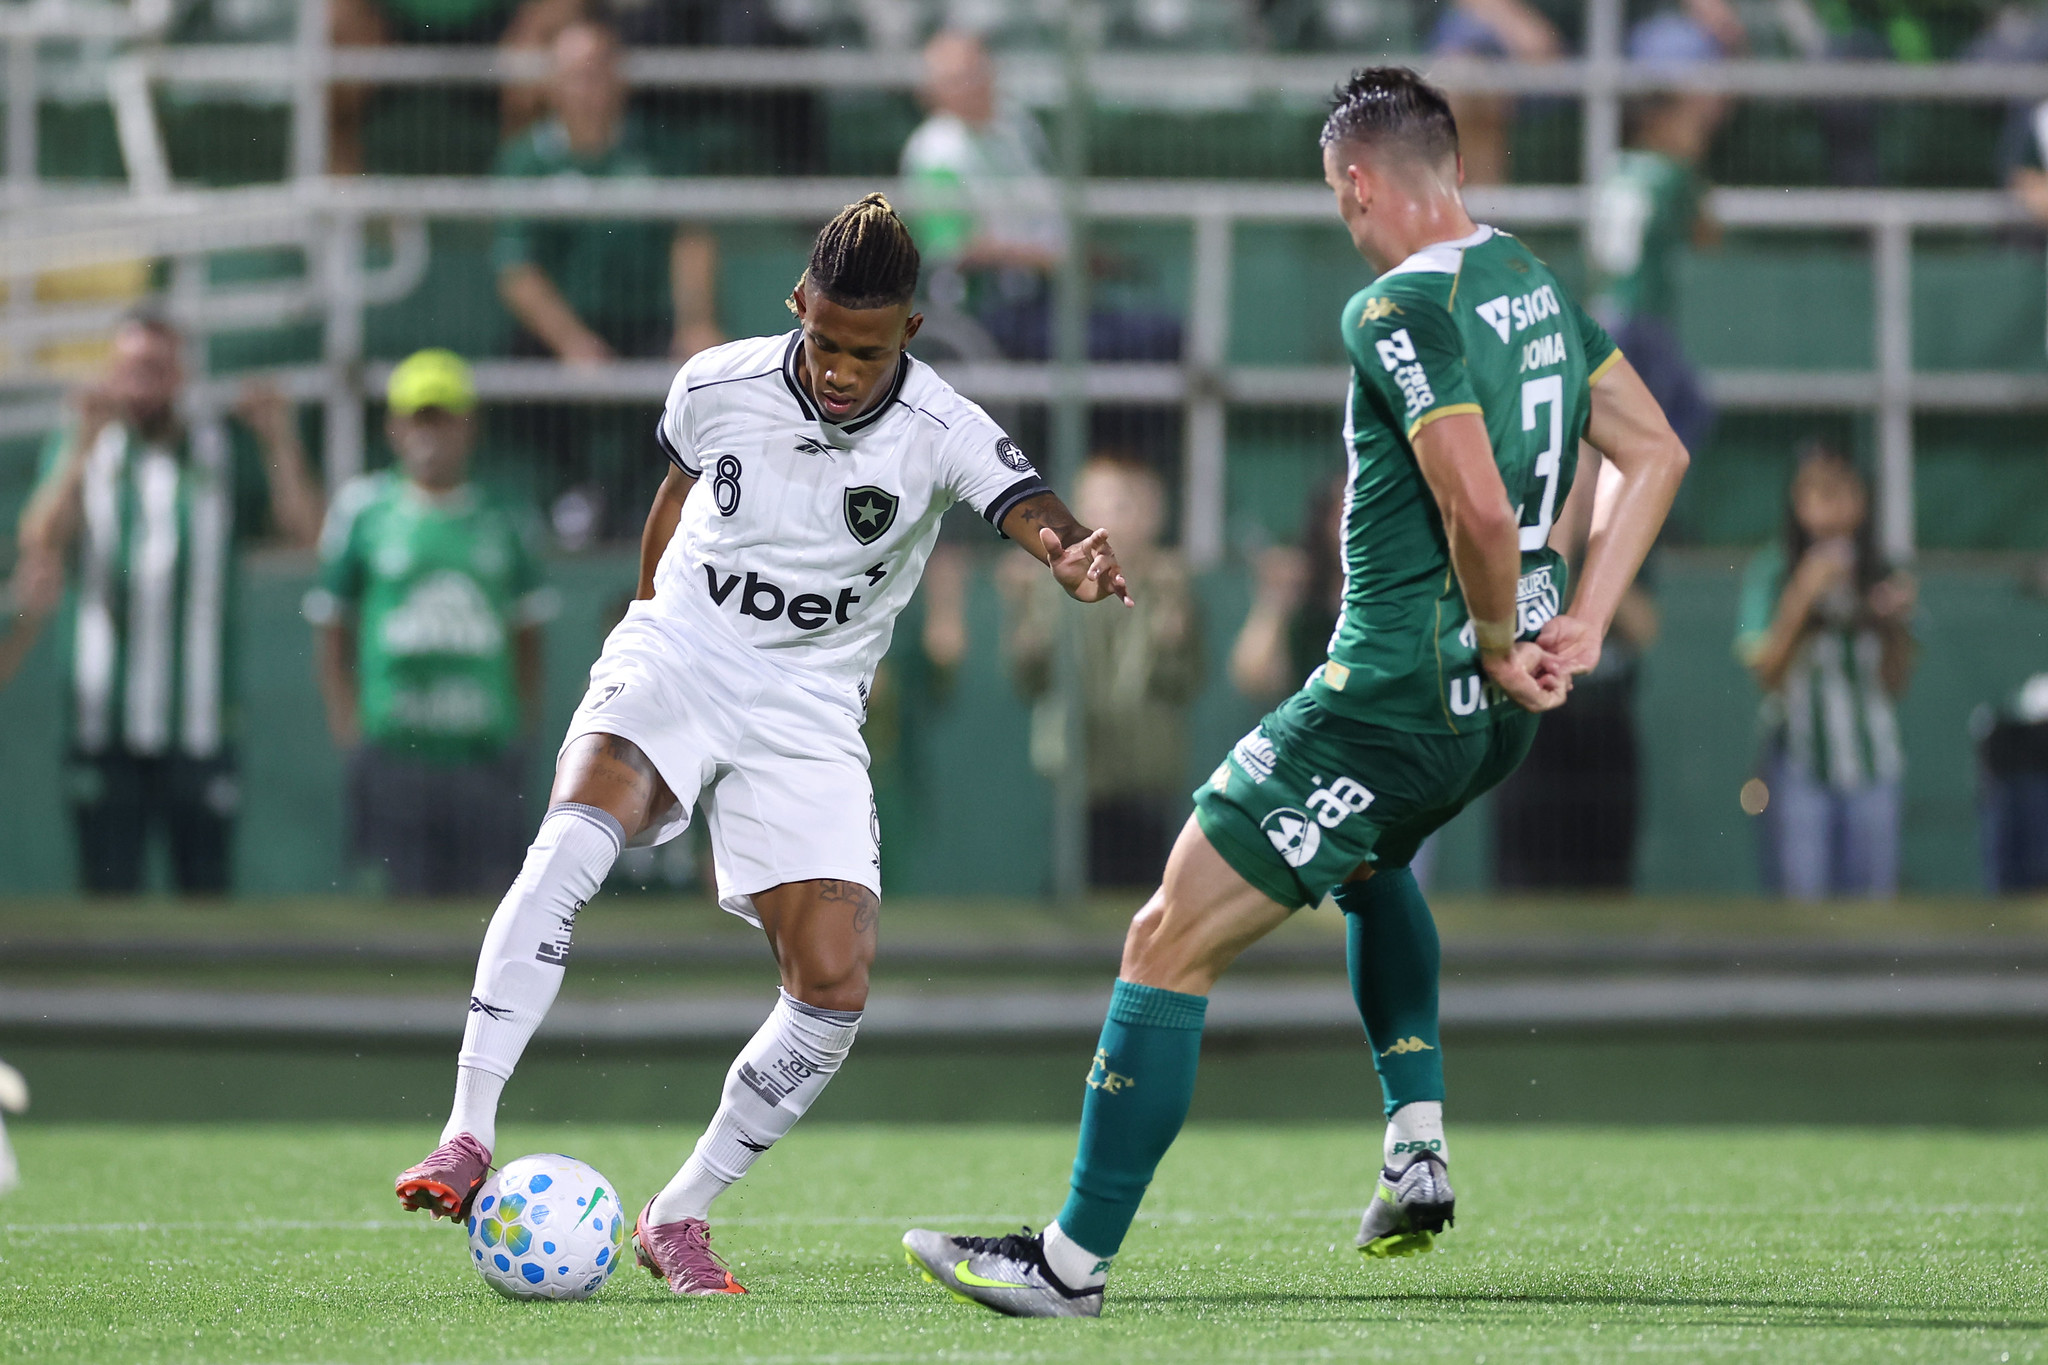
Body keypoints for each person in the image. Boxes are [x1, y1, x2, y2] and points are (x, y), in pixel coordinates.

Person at [903, 65, 1689, 1317]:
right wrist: (1576, 620)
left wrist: (1495, 630)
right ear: (1458, 169)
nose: (1343, 219)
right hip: (1485, 724)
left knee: (1165, 938)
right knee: (1370, 872)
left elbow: (1477, 503)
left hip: (1388, 699)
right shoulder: (1527, 280)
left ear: (1359, 182)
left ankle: (1066, 1266)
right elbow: (1652, 453)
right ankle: (1415, 1142)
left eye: (1337, 200)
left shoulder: (1394, 310)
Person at [392, 195, 1134, 1296]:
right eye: (825, 340)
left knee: (832, 987)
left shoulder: (942, 428)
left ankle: (677, 1214)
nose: (839, 367)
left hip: (810, 706)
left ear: (910, 337)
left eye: (866, 351)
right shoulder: (714, 383)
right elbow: (673, 499)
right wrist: (642, 629)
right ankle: (465, 1131)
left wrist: (1069, 556)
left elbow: (1027, 506)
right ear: (797, 308)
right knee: (567, 849)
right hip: (683, 653)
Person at [15, 313, 324, 894]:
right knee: (106, 907)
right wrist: (77, 448)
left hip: (202, 726)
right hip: (102, 724)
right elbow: (39, 537)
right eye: (130, 369)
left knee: (205, 905)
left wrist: (280, 438)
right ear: (110, 373)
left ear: (182, 375)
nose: (141, 384)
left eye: (156, 369)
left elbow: (307, 534)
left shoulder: (221, 447)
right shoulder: (88, 446)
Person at [305, 350, 556, 897]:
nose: (431, 434)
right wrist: (350, 728)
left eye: (443, 418)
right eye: (418, 418)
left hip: (483, 754)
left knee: (490, 912)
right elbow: (333, 628)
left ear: (469, 426)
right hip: (394, 748)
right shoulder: (364, 511)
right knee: (395, 915)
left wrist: (521, 730)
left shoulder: (506, 517)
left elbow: (529, 638)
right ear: (393, 427)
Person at [900, 29, 1180, 366]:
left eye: (981, 71)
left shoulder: (1015, 127)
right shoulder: (934, 150)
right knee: (1128, 347)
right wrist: (1049, 259)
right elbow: (954, 245)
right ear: (931, 92)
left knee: (1165, 333)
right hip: (993, 308)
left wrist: (1076, 257)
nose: (977, 84)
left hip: (1053, 297)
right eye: (961, 77)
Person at [1004, 455, 1204, 889]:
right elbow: (1030, 677)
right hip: (1073, 776)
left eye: (1124, 506)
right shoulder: (1051, 581)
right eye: (1094, 505)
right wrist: (1023, 620)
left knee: (1143, 890)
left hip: (1145, 775)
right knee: (1070, 890)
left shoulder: (1169, 584)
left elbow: (1184, 680)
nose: (1106, 520)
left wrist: (1173, 631)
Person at [1735, 442, 1915, 899]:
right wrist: (1802, 598)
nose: (1831, 507)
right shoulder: (1771, 570)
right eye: (1817, 492)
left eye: (1842, 492)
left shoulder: (1883, 570)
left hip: (1874, 763)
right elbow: (1765, 674)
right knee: (1803, 908)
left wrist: (1889, 621)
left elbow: (1897, 682)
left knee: (1873, 906)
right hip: (1799, 764)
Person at [494, 17, 723, 365]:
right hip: (556, 334)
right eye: (577, 76)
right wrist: (572, 342)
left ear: (621, 78)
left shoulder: (662, 150)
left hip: (648, 326)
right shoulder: (524, 160)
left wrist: (695, 324)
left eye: (600, 72)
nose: (590, 88)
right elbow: (516, 268)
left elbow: (690, 240)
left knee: (701, 367)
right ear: (552, 83)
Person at [1585, 11, 1728, 455]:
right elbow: (1708, 235)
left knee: (1653, 424)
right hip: (1641, 320)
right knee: (1670, 426)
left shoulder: (1617, 168)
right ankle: (1643, 520)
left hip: (1604, 315)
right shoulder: (1673, 176)